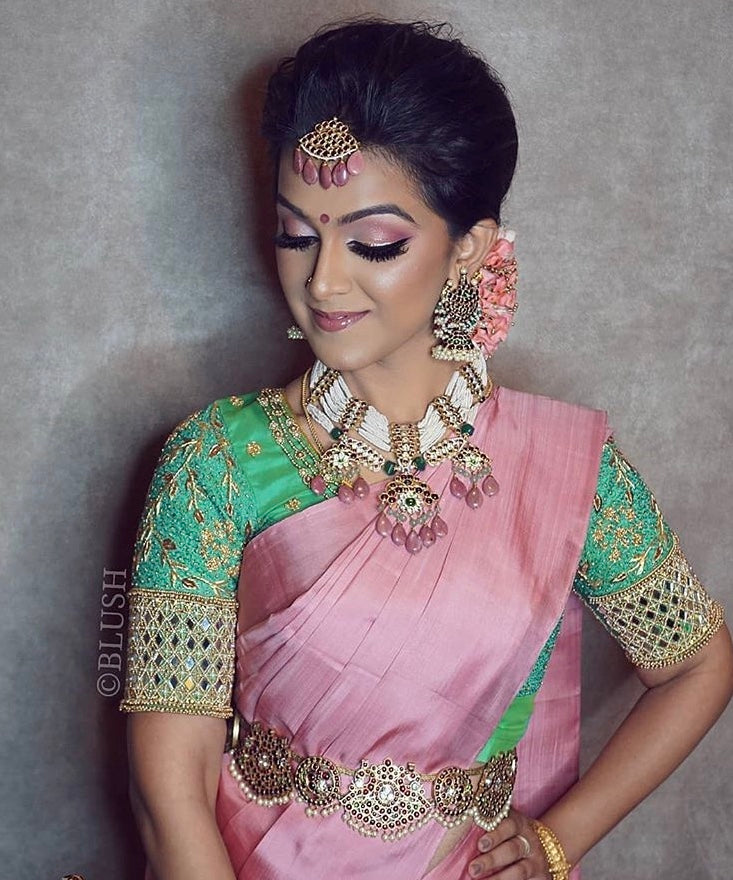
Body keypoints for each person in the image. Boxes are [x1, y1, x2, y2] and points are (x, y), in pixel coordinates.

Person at [121, 19, 733, 880]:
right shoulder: (216, 463)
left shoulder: (565, 471)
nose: (324, 280)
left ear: (469, 249)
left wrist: (559, 841)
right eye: (297, 234)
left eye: (374, 243)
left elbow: (699, 663)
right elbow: (169, 790)